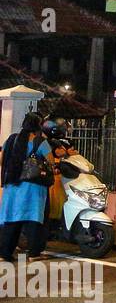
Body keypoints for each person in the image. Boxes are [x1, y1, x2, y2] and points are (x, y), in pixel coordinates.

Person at [0, 112, 54, 261]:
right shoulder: (40, 142)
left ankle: (5, 254)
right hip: (33, 188)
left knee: (11, 221)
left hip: (12, 187)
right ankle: (34, 253)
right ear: (38, 126)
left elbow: (1, 160)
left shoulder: (11, 140)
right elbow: (51, 162)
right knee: (34, 220)